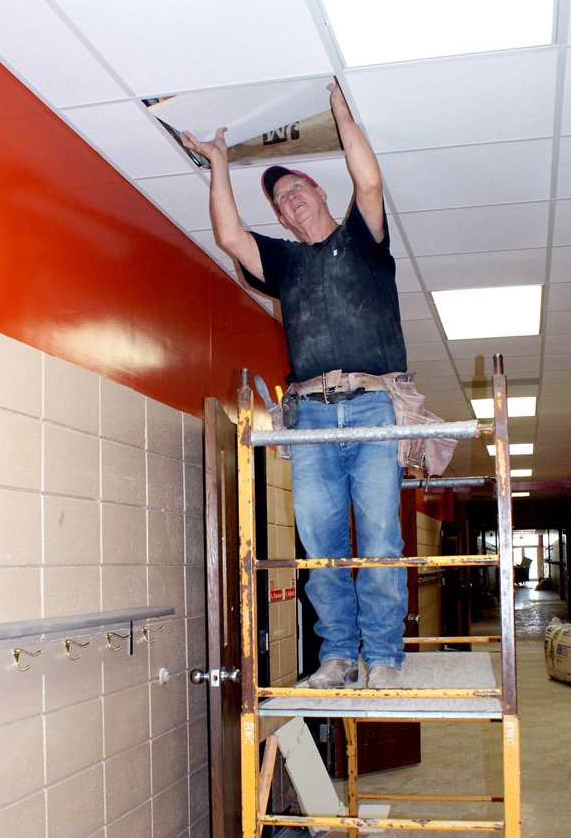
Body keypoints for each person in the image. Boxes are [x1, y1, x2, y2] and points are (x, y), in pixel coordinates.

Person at [181, 81, 408, 689]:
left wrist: (340, 113)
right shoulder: (285, 264)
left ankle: (383, 656)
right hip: (308, 415)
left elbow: (370, 183)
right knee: (319, 542)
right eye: (280, 201)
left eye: (297, 190)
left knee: (381, 535)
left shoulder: (363, 240)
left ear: (319, 192)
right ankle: (338, 655)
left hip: (373, 406)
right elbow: (231, 238)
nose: (289, 203)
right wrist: (219, 164)